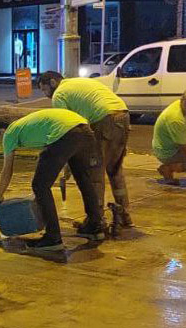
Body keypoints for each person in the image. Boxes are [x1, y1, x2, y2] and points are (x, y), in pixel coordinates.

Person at [0, 109, 106, 250]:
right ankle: (95, 227)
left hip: (65, 133)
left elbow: (7, 170)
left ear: (2, 131)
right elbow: (51, 153)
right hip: (84, 129)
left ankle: (53, 238)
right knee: (83, 178)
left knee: (40, 186)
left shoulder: (9, 134)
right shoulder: (27, 126)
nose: (1, 142)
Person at [36, 71, 133, 229]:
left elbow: (67, 129)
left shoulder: (59, 95)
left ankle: (97, 220)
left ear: (52, 82)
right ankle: (124, 215)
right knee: (115, 170)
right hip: (123, 114)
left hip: (104, 119)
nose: (44, 94)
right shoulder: (77, 83)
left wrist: (65, 163)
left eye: (43, 89)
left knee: (95, 172)